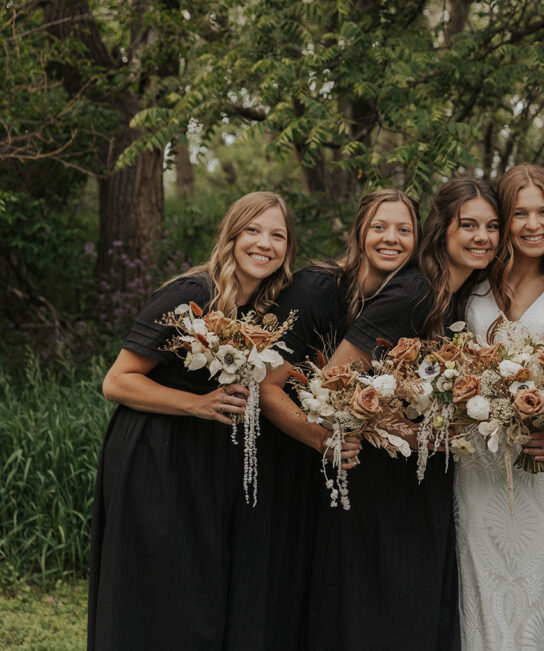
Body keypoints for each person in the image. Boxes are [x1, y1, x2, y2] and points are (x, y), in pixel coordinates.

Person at [88, 191, 296, 649]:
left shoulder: (262, 309)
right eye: (253, 231)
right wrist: (198, 405)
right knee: (160, 593)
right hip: (156, 456)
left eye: (277, 235)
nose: (265, 244)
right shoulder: (192, 293)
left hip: (207, 464)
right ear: (232, 235)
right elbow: (117, 382)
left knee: (200, 594)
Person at [306, 177, 500, 650]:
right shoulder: (415, 291)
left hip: (423, 475)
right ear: (442, 231)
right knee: (388, 603)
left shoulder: (455, 293)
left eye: (492, 226)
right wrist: (408, 433)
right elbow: (332, 382)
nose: (482, 237)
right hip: (383, 478)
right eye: (468, 225)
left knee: (419, 602)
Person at [258, 189, 420, 649]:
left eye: (404, 230)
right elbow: (267, 387)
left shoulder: (406, 301)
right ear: (359, 233)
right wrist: (318, 437)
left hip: (351, 467)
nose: (391, 238)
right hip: (291, 450)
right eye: (379, 227)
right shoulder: (317, 286)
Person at [454, 165, 544, 650]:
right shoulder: (472, 285)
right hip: (478, 465)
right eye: (520, 213)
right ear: (504, 219)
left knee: (540, 592)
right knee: (480, 590)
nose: (533, 224)